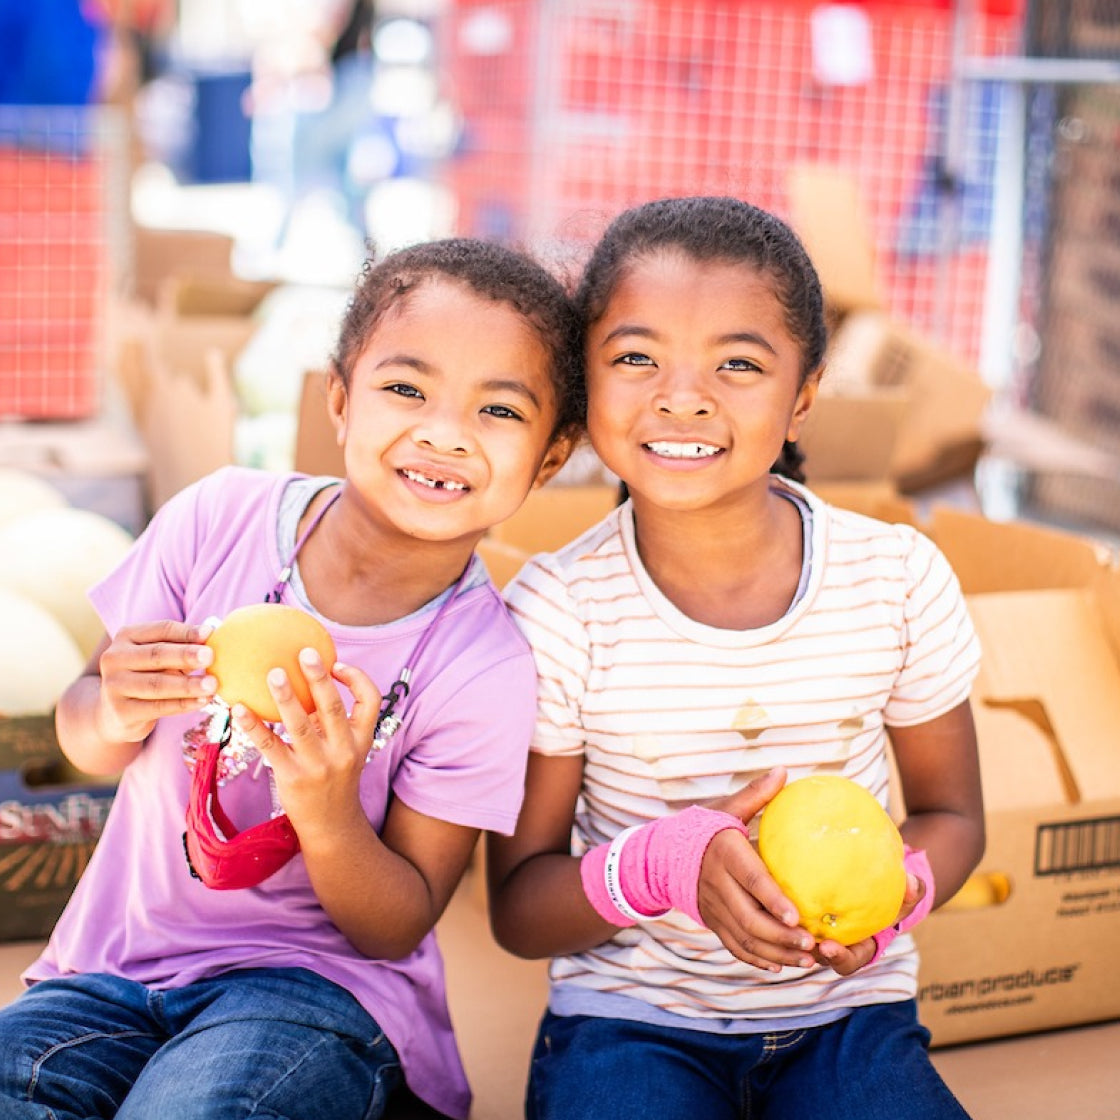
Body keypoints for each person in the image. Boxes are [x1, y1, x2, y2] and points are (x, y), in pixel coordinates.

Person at [0, 237, 582, 1120]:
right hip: (111, 971)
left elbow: (394, 924)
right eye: (405, 388)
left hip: (315, 993)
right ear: (340, 401)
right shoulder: (216, 519)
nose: (444, 431)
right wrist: (112, 703)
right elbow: (84, 739)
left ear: (549, 457)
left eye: (498, 411)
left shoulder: (484, 668)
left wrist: (328, 808)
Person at [487, 196, 985, 1120]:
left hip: (847, 1017)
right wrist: (663, 867)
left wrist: (891, 901)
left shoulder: (898, 579)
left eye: (740, 365)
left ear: (804, 393)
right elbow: (519, 907)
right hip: (629, 1020)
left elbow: (953, 816)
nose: (683, 396)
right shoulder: (559, 611)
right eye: (636, 358)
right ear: (584, 379)